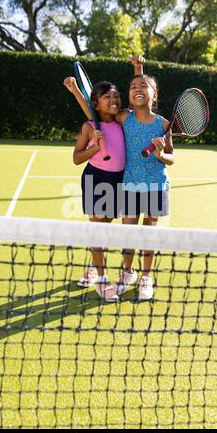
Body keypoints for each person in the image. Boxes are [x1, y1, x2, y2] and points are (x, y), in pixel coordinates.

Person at [63, 58, 143, 301]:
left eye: (116, 95)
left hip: (119, 180)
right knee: (98, 230)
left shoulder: (121, 121)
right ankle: (102, 278)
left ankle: (93, 266)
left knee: (106, 228)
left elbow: (139, 99)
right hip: (96, 179)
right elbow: (77, 158)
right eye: (107, 97)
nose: (114, 100)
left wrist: (138, 70)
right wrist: (94, 148)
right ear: (97, 104)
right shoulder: (90, 126)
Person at [113, 73, 174, 300]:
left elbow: (171, 158)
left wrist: (160, 154)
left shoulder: (164, 124)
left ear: (154, 94)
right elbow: (96, 110)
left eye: (144, 86)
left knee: (149, 232)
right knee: (129, 232)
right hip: (130, 184)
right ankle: (127, 272)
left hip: (157, 186)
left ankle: (146, 276)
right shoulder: (124, 118)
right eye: (132, 86)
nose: (137, 89)